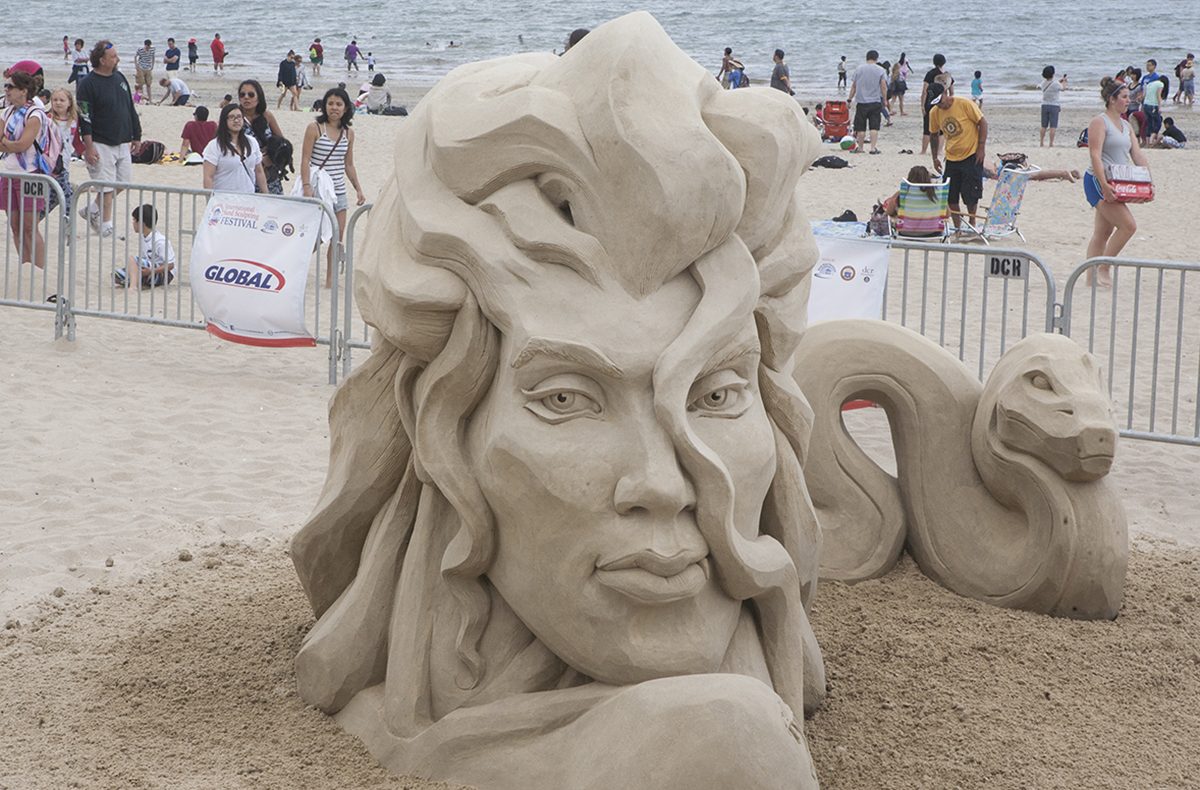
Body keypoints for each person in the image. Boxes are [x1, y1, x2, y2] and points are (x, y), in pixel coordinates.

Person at [1083, 78, 1149, 287]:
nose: (1128, 100)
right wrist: (1104, 185)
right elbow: (1094, 155)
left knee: (1103, 232)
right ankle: (1103, 268)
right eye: (1124, 97)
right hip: (1097, 180)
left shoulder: (1127, 125)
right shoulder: (1099, 122)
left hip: (1119, 182)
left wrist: (1148, 180)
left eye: (1128, 97)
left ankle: (1090, 279)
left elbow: (1137, 155)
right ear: (1112, 100)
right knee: (1128, 226)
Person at [300, 87, 365, 287]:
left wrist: (358, 188)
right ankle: (296, 265)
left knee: (337, 236)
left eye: (338, 104)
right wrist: (306, 185)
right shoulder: (315, 128)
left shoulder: (348, 133)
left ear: (346, 108)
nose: (334, 108)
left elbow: (348, 164)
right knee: (316, 236)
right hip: (319, 190)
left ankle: (330, 279)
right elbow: (305, 159)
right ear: (324, 105)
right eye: (330, 103)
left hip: (339, 192)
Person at [76, 40, 141, 238]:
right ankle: (106, 225)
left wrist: (136, 134)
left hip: (122, 140)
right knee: (105, 186)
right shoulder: (87, 84)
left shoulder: (120, 77)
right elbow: (84, 117)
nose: (117, 59)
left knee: (123, 182)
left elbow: (129, 108)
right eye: (113, 57)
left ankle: (92, 209)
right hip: (100, 141)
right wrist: (88, 147)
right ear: (102, 60)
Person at [0, 72, 51, 269]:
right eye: (6, 86)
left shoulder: (35, 114)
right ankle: (25, 265)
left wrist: (6, 143)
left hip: (30, 174)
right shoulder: (8, 112)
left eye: (10, 87)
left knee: (30, 226)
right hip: (10, 172)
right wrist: (8, 144)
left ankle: (38, 268)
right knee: (14, 224)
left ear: (23, 91)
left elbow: (23, 144)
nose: (7, 90)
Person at [927, 82, 987, 231]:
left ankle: (972, 222)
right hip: (952, 158)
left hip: (971, 154)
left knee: (971, 194)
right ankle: (958, 226)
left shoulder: (964, 103)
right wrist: (935, 157)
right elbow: (934, 135)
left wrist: (981, 147)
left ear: (946, 93)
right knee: (951, 196)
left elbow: (983, 122)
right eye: (937, 104)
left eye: (941, 101)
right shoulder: (934, 112)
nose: (941, 106)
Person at [202, 103, 267, 193]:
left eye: (239, 117)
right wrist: (211, 200)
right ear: (225, 120)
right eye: (232, 117)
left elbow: (259, 172)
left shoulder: (252, 142)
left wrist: (266, 194)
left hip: (249, 200)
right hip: (225, 201)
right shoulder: (214, 146)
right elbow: (208, 177)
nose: (236, 121)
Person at [236, 80, 285, 194]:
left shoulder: (266, 115)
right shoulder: (235, 117)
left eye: (251, 94)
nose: (246, 98)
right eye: (242, 95)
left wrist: (271, 157)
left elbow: (282, 142)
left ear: (259, 97)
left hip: (269, 175)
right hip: (245, 174)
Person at [114, 204, 175, 288]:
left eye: (134, 220)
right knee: (117, 275)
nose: (133, 223)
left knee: (133, 259)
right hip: (149, 268)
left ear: (141, 223)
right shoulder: (143, 237)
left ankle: (133, 287)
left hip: (164, 274)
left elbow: (171, 265)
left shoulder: (160, 241)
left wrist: (150, 271)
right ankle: (139, 280)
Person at [847, 49, 888, 154]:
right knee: (874, 126)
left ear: (867, 57)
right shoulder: (880, 70)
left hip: (861, 102)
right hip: (875, 101)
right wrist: (885, 99)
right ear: (876, 58)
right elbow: (883, 86)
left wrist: (849, 99)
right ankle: (873, 148)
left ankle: (860, 148)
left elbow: (854, 86)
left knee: (860, 126)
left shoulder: (859, 69)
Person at [920, 53, 946, 157]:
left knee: (927, 128)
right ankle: (939, 151)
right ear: (943, 62)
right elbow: (950, 91)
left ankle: (923, 151)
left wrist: (922, 105)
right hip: (941, 104)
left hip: (929, 103)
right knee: (941, 129)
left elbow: (924, 91)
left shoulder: (930, 74)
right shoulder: (945, 75)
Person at [1039, 65, 1067, 147]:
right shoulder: (1056, 84)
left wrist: (1060, 81)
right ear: (1053, 74)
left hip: (1044, 105)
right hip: (1054, 106)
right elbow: (1063, 88)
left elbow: (1050, 85)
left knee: (1043, 125)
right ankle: (1051, 143)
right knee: (1053, 126)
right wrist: (1064, 81)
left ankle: (1041, 142)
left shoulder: (1043, 83)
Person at [1141, 68, 1165, 143]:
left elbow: (1144, 95)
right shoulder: (1160, 84)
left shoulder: (1150, 83)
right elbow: (1158, 96)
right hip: (1153, 105)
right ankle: (1151, 139)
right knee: (1158, 123)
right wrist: (1160, 107)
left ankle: (1148, 141)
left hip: (1145, 105)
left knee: (1149, 123)